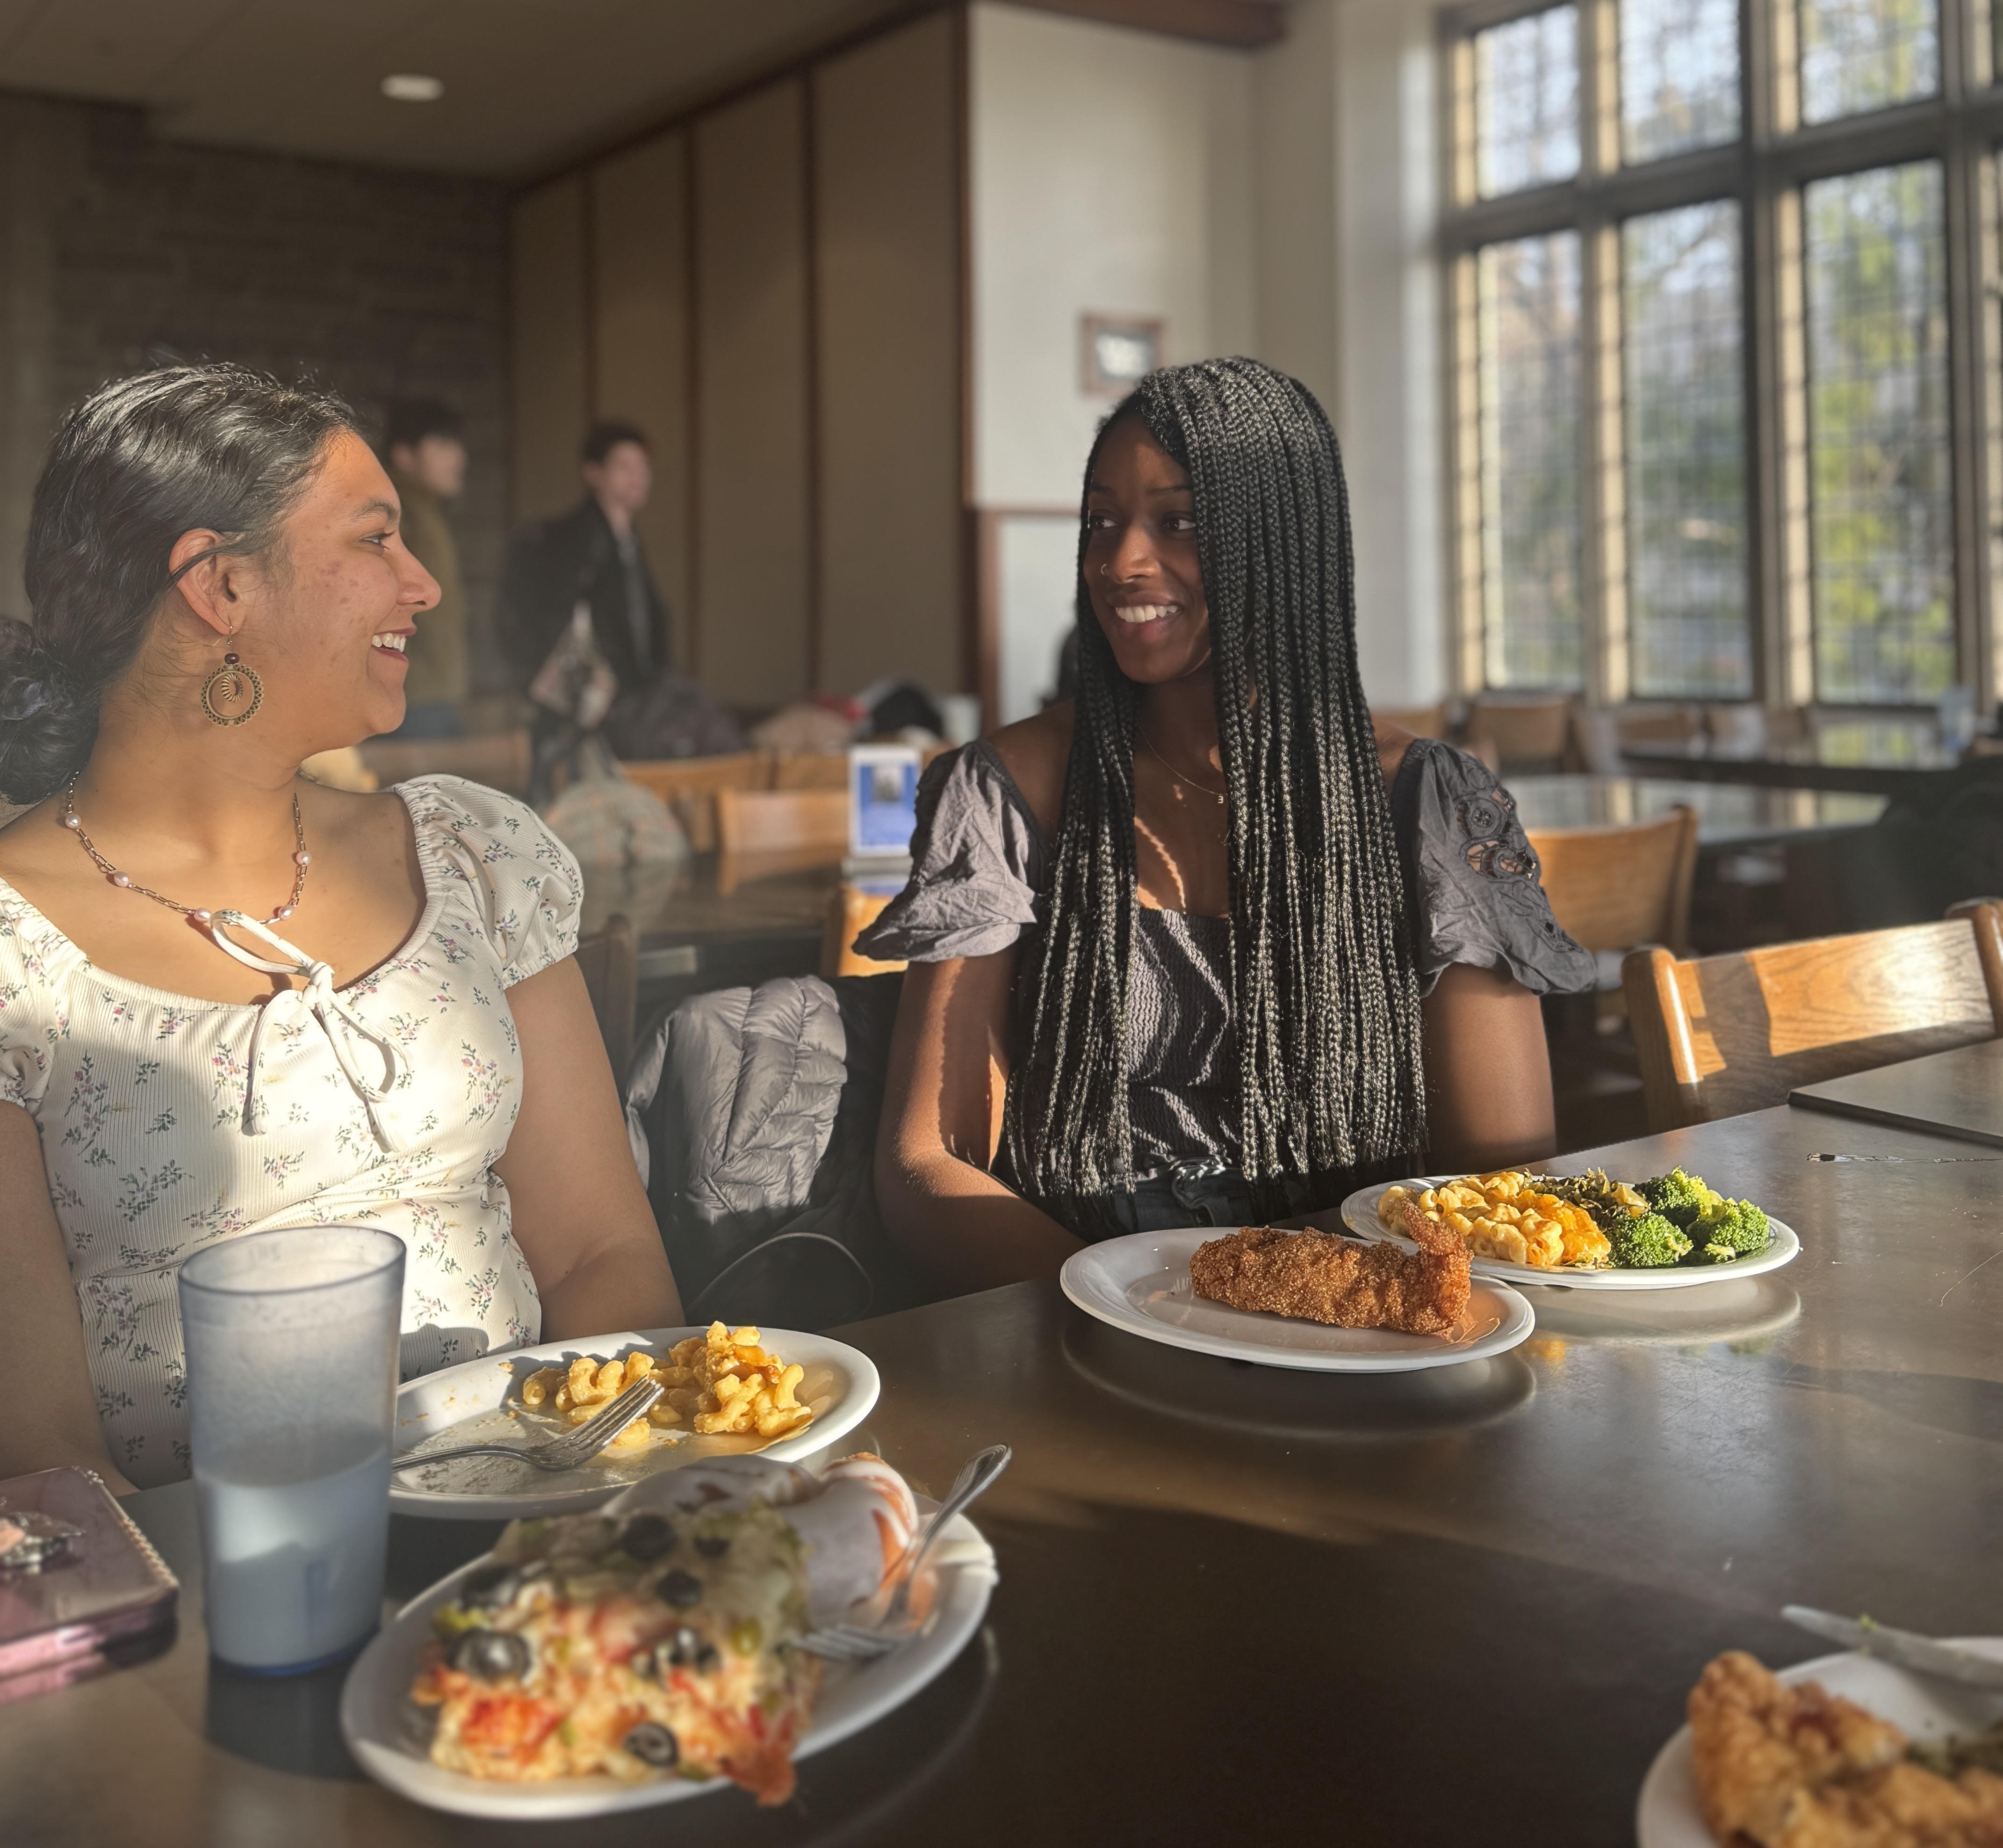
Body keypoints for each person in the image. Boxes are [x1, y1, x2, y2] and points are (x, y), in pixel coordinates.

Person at [0, 365, 681, 1493]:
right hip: (214, 1596)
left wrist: (599, 1504)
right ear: (221, 587)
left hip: (546, 1522)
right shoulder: (16, 945)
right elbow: (44, 1452)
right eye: (376, 542)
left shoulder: (470, 854)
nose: (423, 586)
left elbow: (600, 1253)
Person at [862, 357, 1594, 1292]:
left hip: (1354, 1320)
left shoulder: (1423, 802)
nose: (1120, 559)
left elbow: (1501, 1182)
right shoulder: (1008, 790)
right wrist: (1136, 1307)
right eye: (1101, 520)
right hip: (1078, 1315)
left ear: (1279, 543)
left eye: (1178, 521)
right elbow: (926, 1162)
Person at [499, 419, 669, 703]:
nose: (638, 476)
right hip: (592, 694)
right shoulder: (572, 540)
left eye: (642, 466)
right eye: (625, 466)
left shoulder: (629, 540)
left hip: (632, 693)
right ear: (594, 473)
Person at [382, 397, 470, 740]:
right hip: (412, 696)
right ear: (405, 455)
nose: (459, 457)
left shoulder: (426, 512)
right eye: (444, 444)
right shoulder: (395, 513)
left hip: (434, 693)